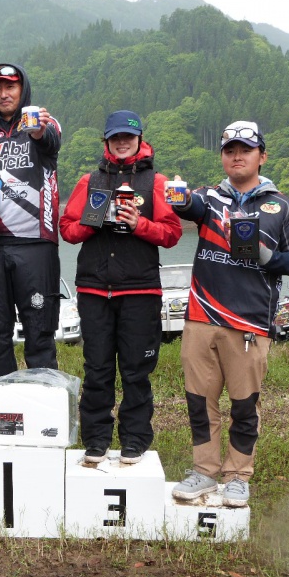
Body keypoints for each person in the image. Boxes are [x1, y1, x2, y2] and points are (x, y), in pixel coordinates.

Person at [170, 120, 289, 506]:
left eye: (245, 150)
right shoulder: (210, 197)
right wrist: (179, 198)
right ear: (222, 156)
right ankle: (204, 471)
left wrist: (271, 259)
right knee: (200, 401)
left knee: (244, 405)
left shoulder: (281, 206)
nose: (236, 156)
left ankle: (238, 475)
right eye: (229, 150)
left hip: (249, 323)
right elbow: (189, 206)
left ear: (261, 156)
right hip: (201, 316)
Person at [60, 110, 182, 464]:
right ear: (106, 141)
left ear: (140, 139)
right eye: (115, 137)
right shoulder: (89, 181)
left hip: (140, 291)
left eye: (128, 136)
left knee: (136, 371)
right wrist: (92, 223)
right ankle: (95, 440)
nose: (122, 142)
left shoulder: (157, 183)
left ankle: (135, 440)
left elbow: (172, 234)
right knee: (96, 369)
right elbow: (68, 230)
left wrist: (140, 224)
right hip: (95, 290)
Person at [0, 63, 62, 387]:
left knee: (39, 330)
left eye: (9, 87)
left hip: (37, 244)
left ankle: (45, 409)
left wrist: (39, 130)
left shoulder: (43, 121)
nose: (3, 94)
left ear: (22, 88)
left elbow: (50, 142)